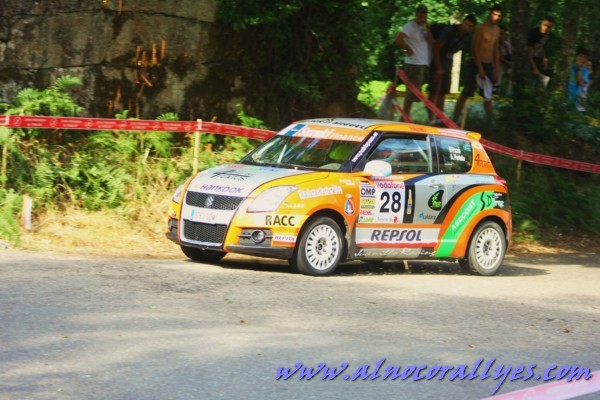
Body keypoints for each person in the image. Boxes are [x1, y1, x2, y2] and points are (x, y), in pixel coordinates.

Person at [452, 4, 503, 124]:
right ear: (490, 14)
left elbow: (495, 51)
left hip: (488, 64)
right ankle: (454, 120)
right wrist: (480, 69)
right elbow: (474, 49)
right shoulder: (481, 28)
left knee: (488, 95)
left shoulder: (497, 30)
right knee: (466, 93)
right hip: (475, 64)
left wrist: (496, 70)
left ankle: (491, 123)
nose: (496, 17)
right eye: (494, 14)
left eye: (499, 15)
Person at [427, 15, 477, 125]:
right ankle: (431, 119)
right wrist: (438, 67)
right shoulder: (449, 31)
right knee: (434, 91)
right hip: (437, 62)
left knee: (443, 92)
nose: (467, 27)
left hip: (448, 64)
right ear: (462, 22)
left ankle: (439, 118)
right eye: (466, 24)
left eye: (470, 26)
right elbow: (436, 47)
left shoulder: (465, 36)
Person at [394, 4, 434, 121]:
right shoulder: (409, 26)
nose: (422, 19)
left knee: (415, 94)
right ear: (416, 15)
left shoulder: (424, 28)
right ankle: (404, 119)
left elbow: (431, 41)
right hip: (413, 64)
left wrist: (428, 29)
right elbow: (397, 40)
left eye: (424, 17)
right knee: (411, 94)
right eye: (420, 17)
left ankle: (405, 118)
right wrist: (408, 48)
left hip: (421, 63)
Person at [527, 16, 554, 88]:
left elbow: (542, 48)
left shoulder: (547, 36)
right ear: (541, 23)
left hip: (534, 60)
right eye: (545, 25)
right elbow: (529, 54)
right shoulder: (533, 33)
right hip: (525, 60)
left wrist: (544, 58)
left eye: (549, 27)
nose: (546, 28)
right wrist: (535, 68)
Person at [496, 24, 512, 94]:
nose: (499, 36)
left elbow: (511, 63)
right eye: (498, 33)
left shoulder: (507, 46)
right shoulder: (490, 44)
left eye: (501, 33)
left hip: (500, 75)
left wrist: (502, 59)